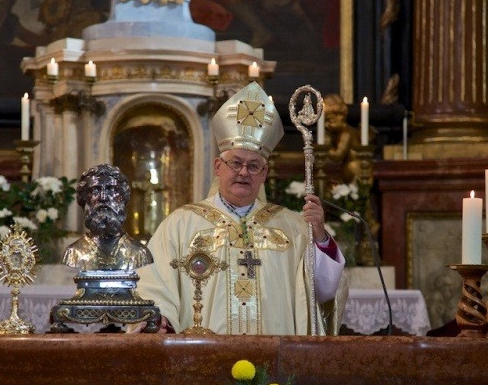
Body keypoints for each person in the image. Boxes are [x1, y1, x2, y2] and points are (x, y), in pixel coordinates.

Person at [134, 82, 346, 335]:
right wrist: (160, 319)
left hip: (275, 354)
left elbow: (323, 291)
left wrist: (319, 237)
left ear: (264, 173)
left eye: (254, 166)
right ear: (218, 167)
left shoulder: (294, 228)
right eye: (235, 163)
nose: (244, 172)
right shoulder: (180, 225)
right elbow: (153, 284)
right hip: (204, 354)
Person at [62, 164, 153, 271]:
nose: (103, 197)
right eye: (95, 190)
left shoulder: (139, 254)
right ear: (85, 199)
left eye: (112, 190)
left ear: (123, 198)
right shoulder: (73, 253)